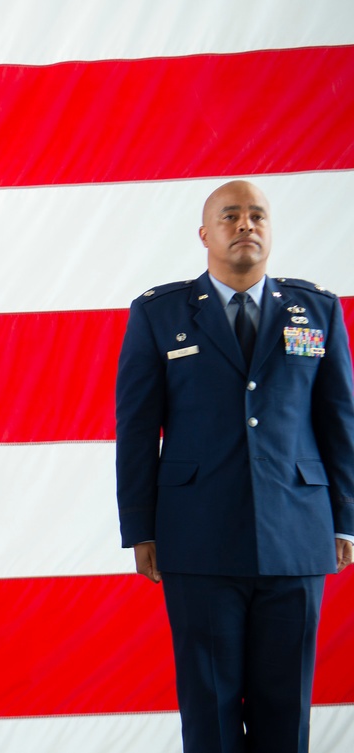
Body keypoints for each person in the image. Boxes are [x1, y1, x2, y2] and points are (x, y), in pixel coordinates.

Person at [115, 180, 354, 752]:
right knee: (210, 712)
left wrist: (344, 518)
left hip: (296, 534)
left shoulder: (317, 309)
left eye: (256, 216)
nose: (245, 225)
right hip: (197, 538)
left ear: (270, 231)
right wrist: (141, 529)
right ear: (205, 233)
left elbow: (339, 420)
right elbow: (137, 429)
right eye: (230, 216)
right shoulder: (159, 313)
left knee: (286, 711)